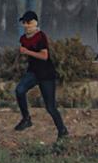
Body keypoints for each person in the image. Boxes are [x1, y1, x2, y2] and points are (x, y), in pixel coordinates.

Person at [13, 10, 69, 138]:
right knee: (19, 90)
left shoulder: (40, 36)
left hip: (46, 75)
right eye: (24, 23)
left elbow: (44, 56)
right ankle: (26, 118)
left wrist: (27, 52)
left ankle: (62, 130)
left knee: (50, 107)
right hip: (33, 72)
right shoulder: (23, 38)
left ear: (34, 23)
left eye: (28, 23)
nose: (26, 25)